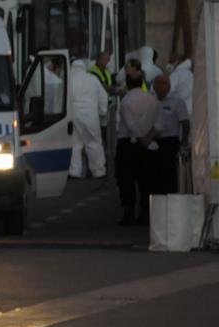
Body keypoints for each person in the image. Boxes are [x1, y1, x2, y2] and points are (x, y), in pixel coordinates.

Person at [115, 73, 161, 225]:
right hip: (148, 143)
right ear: (142, 82)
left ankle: (129, 213)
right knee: (146, 180)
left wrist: (142, 140)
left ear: (127, 84)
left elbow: (131, 126)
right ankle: (145, 214)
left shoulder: (126, 101)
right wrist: (148, 140)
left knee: (126, 180)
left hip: (128, 144)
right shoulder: (152, 99)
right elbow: (159, 124)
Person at [68, 59, 108, 179]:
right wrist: (102, 111)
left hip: (73, 114)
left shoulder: (68, 79)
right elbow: (103, 96)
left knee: (75, 143)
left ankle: (74, 171)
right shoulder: (93, 79)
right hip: (91, 115)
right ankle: (99, 171)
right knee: (93, 142)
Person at [153, 74, 190, 194]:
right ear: (153, 86)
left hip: (170, 143)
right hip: (153, 142)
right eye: (157, 83)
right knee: (155, 176)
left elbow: (185, 123)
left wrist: (184, 144)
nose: (160, 86)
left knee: (170, 176)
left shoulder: (177, 101)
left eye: (163, 83)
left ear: (169, 86)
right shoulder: (150, 100)